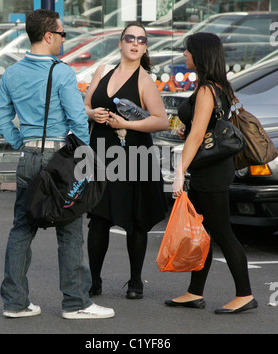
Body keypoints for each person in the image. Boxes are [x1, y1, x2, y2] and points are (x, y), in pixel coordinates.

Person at [0, 9, 114, 320]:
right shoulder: (61, 72)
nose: (63, 39)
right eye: (61, 34)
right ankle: (76, 303)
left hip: (28, 157)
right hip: (58, 158)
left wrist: (21, 141)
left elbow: (0, 120)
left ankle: (15, 303)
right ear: (48, 36)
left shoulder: (12, 72)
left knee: (22, 228)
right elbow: (77, 120)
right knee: (70, 230)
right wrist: (84, 154)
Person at [165, 32, 257, 314]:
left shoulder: (207, 90)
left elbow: (196, 139)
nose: (185, 55)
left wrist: (178, 172)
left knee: (220, 231)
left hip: (212, 172)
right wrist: (188, 127)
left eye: (188, 50)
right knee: (203, 231)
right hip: (210, 169)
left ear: (201, 54)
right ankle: (195, 292)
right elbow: (202, 129)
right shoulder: (215, 86)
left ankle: (245, 295)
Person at [84, 22, 168, 299]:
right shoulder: (102, 71)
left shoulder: (144, 80)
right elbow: (84, 105)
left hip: (134, 155)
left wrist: (127, 125)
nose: (135, 43)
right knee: (98, 218)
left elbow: (161, 121)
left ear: (144, 48)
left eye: (141, 40)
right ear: (120, 43)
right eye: (130, 38)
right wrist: (92, 114)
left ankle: (135, 282)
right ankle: (94, 281)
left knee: (136, 219)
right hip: (100, 154)